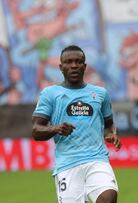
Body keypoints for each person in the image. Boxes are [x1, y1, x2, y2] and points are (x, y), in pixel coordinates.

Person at [32, 45, 121, 203]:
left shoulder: (101, 94)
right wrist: (56, 128)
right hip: (67, 164)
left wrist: (111, 134)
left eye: (78, 62)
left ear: (85, 66)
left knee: (109, 197)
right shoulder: (50, 94)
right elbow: (36, 130)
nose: (74, 65)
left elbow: (109, 124)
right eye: (69, 62)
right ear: (61, 67)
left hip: (97, 159)